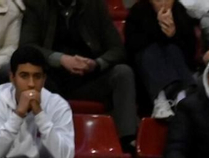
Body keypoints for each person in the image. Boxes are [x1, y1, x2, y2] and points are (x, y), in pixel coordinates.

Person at [20, 0, 136, 150]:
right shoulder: (37, 5)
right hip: (51, 78)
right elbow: (27, 46)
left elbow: (117, 49)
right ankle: (43, 142)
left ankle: (127, 141)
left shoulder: (95, 5)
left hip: (88, 78)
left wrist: (96, 63)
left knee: (123, 73)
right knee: (33, 76)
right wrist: (61, 59)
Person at [122, 0, 198, 123]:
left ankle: (180, 96)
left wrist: (174, 34)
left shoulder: (179, 11)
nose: (163, 3)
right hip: (145, 77)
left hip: (178, 71)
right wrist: (158, 28)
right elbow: (132, 47)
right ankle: (160, 98)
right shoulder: (138, 11)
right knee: (151, 51)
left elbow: (190, 52)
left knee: (173, 49)